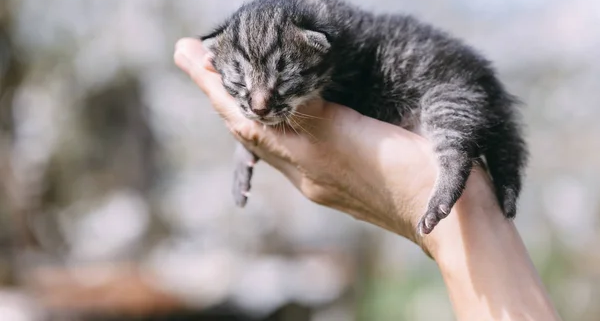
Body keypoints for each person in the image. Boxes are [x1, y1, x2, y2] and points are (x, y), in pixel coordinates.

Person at [174, 37, 561, 321]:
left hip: (433, 86)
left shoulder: (346, 53)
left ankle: (457, 166)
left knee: (455, 124)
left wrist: (445, 199)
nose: (259, 104)